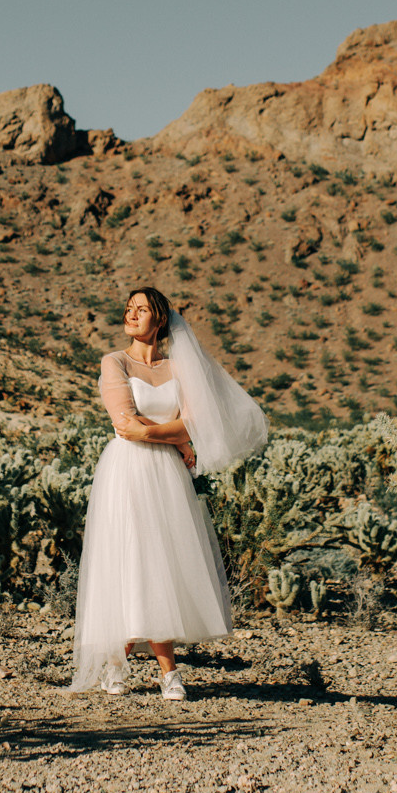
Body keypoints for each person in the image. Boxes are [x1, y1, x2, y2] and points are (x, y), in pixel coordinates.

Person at [68, 285, 270, 699]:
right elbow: (126, 424)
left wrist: (170, 435)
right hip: (128, 470)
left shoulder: (179, 368)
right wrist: (176, 438)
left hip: (165, 475)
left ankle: (149, 669)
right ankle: (135, 667)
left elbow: (197, 422)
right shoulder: (114, 362)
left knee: (162, 561)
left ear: (160, 320)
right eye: (128, 308)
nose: (132, 314)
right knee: (129, 559)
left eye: (142, 309)